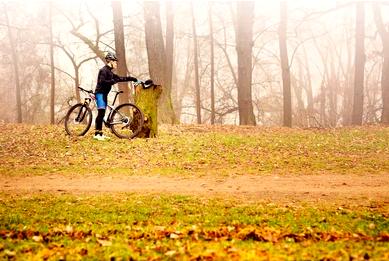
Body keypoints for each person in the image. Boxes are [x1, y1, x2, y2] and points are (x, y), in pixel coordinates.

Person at [94, 52, 137, 141]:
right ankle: (97, 134)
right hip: (100, 93)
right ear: (110, 61)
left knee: (102, 113)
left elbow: (120, 78)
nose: (116, 64)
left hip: (105, 94)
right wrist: (113, 81)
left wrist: (131, 78)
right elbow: (102, 82)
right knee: (101, 113)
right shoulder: (103, 70)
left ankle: (100, 134)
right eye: (115, 62)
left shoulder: (110, 72)